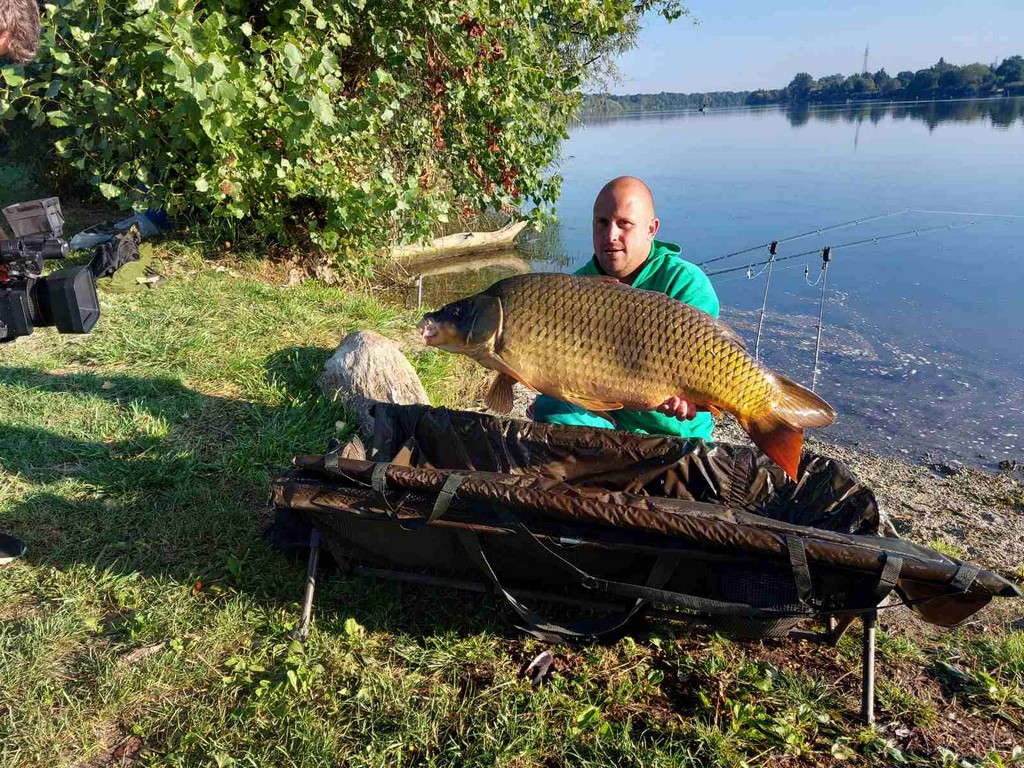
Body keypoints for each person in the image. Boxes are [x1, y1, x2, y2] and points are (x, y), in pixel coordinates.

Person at [530, 176, 721, 440]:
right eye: (602, 222)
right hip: (604, 417)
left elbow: (709, 364)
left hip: (671, 428)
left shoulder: (686, 283)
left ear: (651, 229)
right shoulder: (575, 287)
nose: (611, 236)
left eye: (624, 224)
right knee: (550, 406)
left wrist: (693, 398)